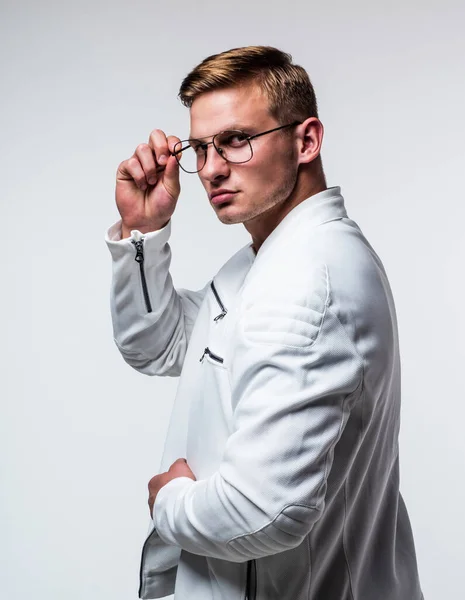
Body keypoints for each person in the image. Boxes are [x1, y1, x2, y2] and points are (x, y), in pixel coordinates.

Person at [105, 46, 423, 600]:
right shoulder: (265, 260)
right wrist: (143, 230)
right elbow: (160, 346)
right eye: (200, 148)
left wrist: (169, 500)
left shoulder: (306, 281)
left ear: (307, 141)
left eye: (235, 140)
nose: (210, 169)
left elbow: (264, 510)